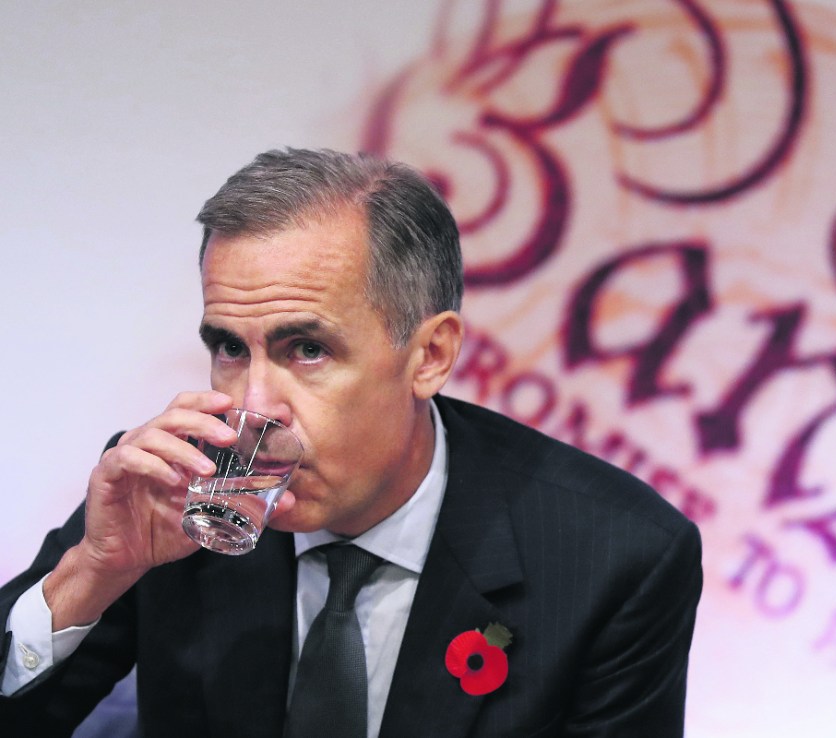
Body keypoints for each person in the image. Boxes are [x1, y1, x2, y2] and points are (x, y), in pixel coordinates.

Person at [0, 148, 702, 737]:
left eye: (306, 349)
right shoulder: (175, 487)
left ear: (430, 355)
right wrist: (91, 574)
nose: (253, 406)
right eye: (229, 348)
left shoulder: (614, 555)